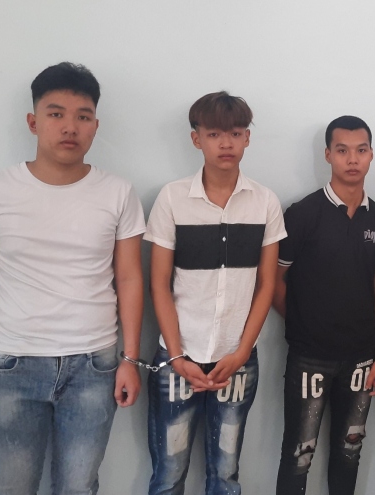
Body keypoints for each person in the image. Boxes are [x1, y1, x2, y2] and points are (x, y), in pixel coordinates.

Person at [0, 62, 145, 494]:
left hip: (94, 364)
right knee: (10, 488)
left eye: (83, 116)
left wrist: (129, 360)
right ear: (33, 122)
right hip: (14, 364)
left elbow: (130, 278)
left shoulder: (118, 192)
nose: (70, 127)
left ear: (95, 125)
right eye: (56, 114)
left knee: (78, 487)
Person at [144, 91, 285, 494]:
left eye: (236, 133)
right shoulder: (172, 198)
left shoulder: (264, 202)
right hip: (177, 358)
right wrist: (176, 356)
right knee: (169, 473)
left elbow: (266, 284)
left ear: (247, 138)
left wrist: (240, 353)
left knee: (225, 472)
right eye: (214, 134)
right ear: (197, 139)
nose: (226, 143)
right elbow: (158, 283)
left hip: (236, 359)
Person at [273, 115, 375, 494]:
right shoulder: (302, 214)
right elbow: (274, 281)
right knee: (299, 453)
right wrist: (303, 320)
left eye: (360, 150)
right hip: (309, 357)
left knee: (349, 451)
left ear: (371, 154)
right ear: (328, 155)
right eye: (342, 150)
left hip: (362, 357)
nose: (352, 159)